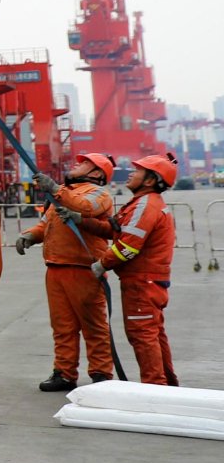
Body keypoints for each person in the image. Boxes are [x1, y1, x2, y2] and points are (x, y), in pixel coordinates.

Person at [13, 153, 118, 391]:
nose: (76, 165)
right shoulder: (63, 194)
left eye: (84, 164)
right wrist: (30, 235)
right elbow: (47, 224)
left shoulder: (98, 194)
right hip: (56, 267)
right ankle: (64, 372)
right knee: (62, 326)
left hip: (84, 269)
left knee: (93, 325)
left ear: (97, 174)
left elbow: (85, 208)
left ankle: (101, 373)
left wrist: (56, 189)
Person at [96, 151, 180, 386]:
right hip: (150, 280)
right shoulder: (143, 203)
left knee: (142, 334)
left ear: (150, 180)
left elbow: (128, 247)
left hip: (141, 282)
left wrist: (101, 264)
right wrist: (82, 220)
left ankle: (155, 387)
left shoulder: (145, 205)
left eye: (137, 170)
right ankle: (167, 385)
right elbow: (119, 232)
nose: (131, 173)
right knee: (154, 334)